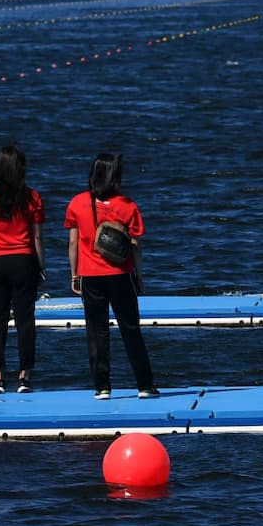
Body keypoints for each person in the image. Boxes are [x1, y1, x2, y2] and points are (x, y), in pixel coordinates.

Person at [65, 151, 158, 400]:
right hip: (119, 274)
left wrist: (75, 274)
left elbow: (73, 243)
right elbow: (136, 246)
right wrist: (139, 275)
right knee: (130, 328)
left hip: (90, 275)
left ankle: (102, 387)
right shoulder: (127, 205)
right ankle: (145, 385)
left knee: (96, 332)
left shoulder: (77, 203)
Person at [0, 144, 46, 394]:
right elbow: (37, 238)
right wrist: (41, 266)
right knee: (25, 321)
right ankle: (24, 376)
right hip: (23, 261)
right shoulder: (32, 197)